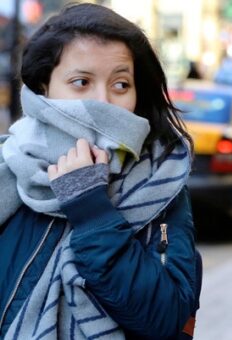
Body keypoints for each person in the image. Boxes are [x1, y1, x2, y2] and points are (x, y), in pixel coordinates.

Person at [0, 3, 202, 340]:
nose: (103, 102)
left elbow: (167, 320)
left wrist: (92, 211)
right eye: (81, 82)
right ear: (44, 89)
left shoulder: (162, 185)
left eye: (121, 85)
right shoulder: (8, 168)